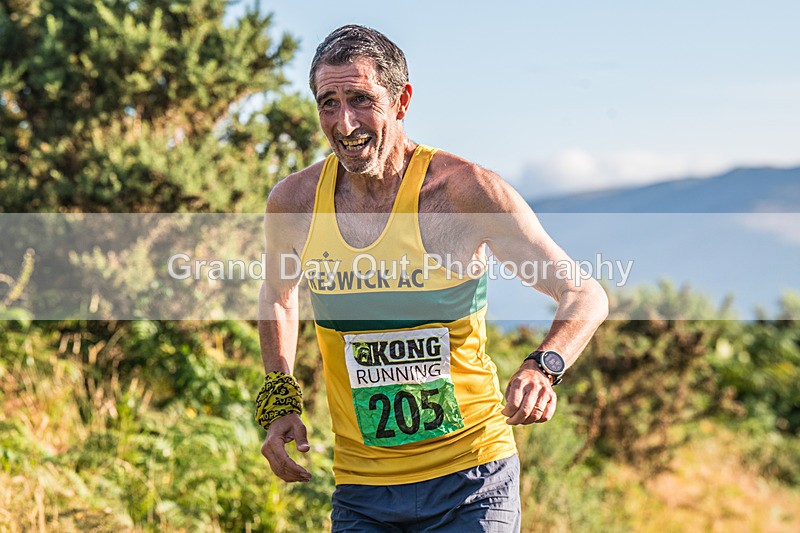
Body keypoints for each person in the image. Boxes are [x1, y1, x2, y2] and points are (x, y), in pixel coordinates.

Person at [256, 24, 608, 532]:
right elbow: (279, 296)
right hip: (362, 487)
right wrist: (280, 397)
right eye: (328, 102)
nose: (344, 122)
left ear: (402, 101)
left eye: (360, 99)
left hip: (473, 479)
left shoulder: (463, 192)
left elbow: (583, 292)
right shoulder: (294, 203)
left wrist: (541, 366)